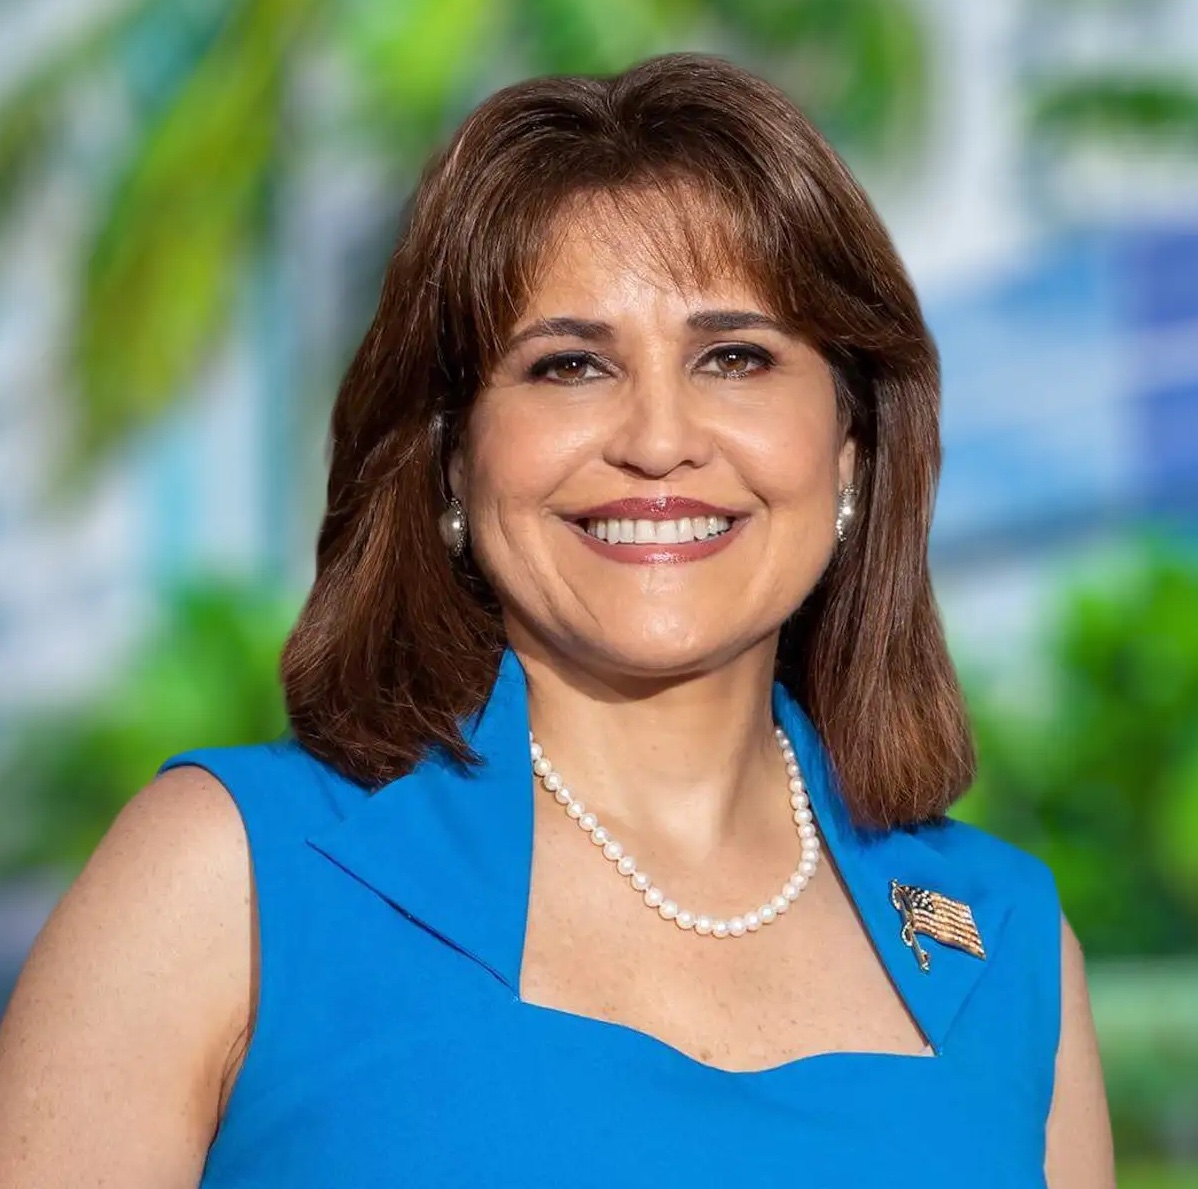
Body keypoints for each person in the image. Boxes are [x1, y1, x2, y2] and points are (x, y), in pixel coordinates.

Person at [0, 53, 1116, 1187]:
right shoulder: (231, 874)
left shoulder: (1005, 942)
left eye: (734, 357)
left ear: (849, 448)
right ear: (449, 457)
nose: (658, 439)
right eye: (569, 365)